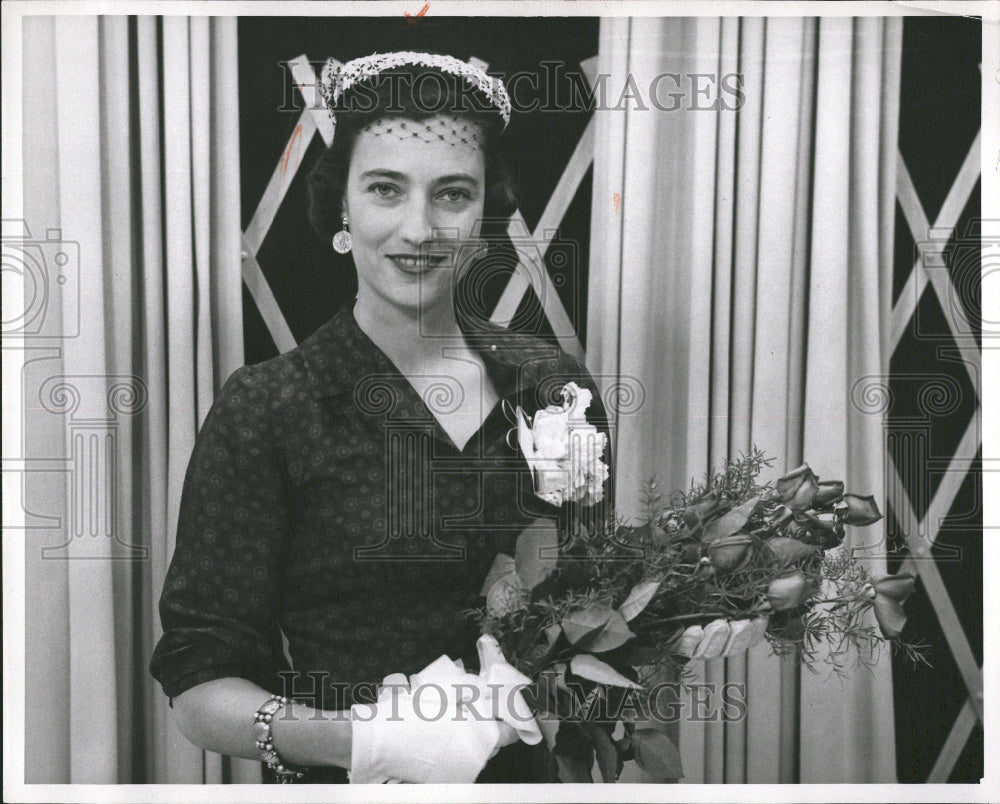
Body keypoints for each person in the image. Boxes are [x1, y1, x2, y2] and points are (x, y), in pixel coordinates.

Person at [150, 50, 754, 785]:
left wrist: (672, 628)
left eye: (452, 195)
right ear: (341, 207)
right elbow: (198, 689)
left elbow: (593, 619)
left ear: (484, 215)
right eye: (384, 189)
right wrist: (365, 742)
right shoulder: (268, 406)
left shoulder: (554, 386)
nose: (419, 228)